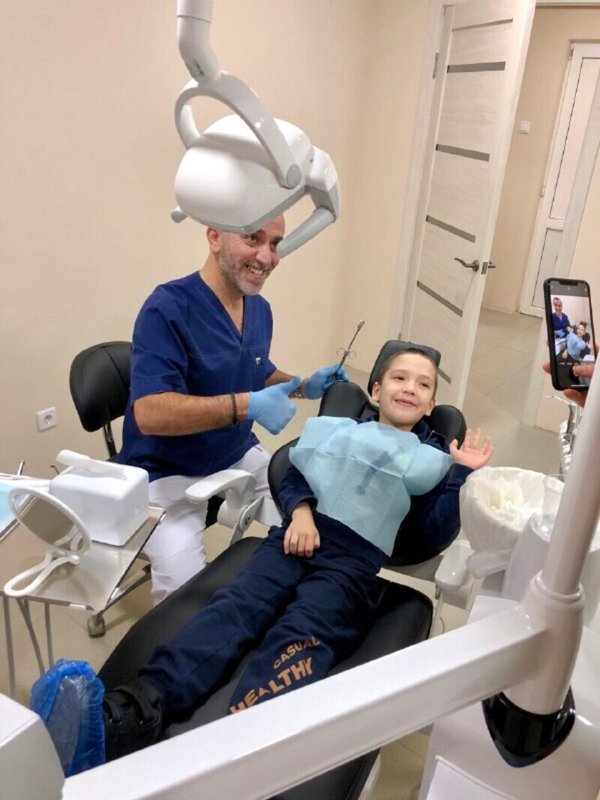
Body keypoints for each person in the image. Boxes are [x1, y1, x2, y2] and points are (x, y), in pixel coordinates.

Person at [35, 347, 493, 773]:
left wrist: (461, 477)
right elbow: (294, 475)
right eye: (399, 378)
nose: (410, 388)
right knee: (232, 610)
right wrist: (301, 512)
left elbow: (432, 533)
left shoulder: (430, 460)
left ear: (431, 406)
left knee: (301, 637)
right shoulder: (341, 431)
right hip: (293, 539)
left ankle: (237, 750)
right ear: (376, 390)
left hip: (351, 568)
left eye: (423, 384)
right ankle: (128, 714)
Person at [118, 214, 348, 602]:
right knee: (183, 597)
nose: (267, 257)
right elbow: (150, 412)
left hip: (236, 451)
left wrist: (304, 385)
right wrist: (246, 405)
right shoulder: (167, 308)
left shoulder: (259, 309)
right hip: (166, 470)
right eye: (253, 238)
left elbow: (257, 368)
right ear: (214, 237)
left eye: (275, 243)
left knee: (314, 521)